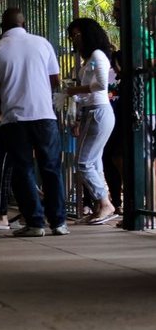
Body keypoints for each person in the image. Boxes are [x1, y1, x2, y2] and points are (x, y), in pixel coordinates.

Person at [0, 8, 68, 237]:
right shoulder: (43, 43)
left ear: (2, 26)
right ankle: (59, 222)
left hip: (14, 119)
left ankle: (35, 223)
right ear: (25, 22)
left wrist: (9, 100)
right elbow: (55, 79)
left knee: (23, 170)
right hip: (45, 116)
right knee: (51, 168)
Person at [66, 18, 118, 224]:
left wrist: (74, 90)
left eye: (77, 35)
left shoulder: (98, 55)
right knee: (94, 162)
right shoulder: (88, 59)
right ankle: (100, 206)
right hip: (90, 111)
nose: (74, 40)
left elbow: (101, 85)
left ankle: (105, 203)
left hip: (99, 111)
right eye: (72, 36)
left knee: (83, 162)